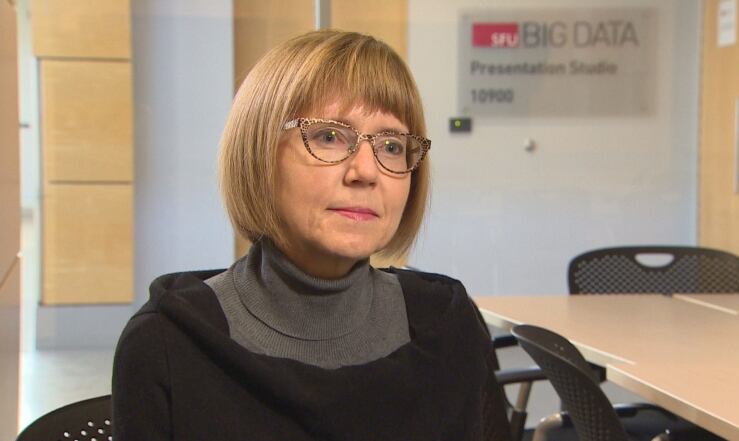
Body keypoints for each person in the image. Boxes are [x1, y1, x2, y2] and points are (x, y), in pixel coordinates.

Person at [112, 30, 511, 441]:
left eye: (391, 146)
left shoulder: (446, 324)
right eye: (330, 136)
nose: (366, 171)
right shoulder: (168, 343)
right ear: (259, 150)